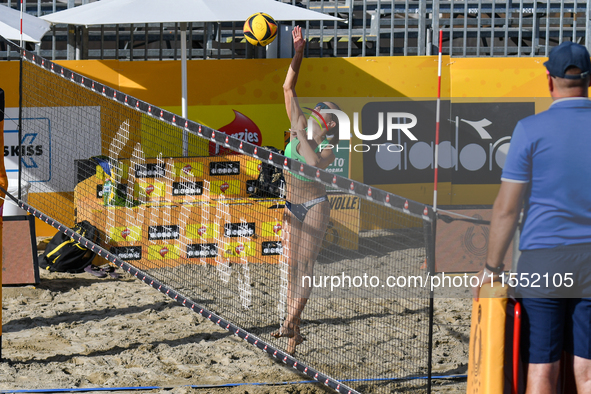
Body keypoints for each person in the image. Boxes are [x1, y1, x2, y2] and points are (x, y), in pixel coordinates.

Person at [473, 41, 591, 393]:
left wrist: (491, 268)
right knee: (586, 368)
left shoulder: (530, 130)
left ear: (549, 79)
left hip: (544, 260)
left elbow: (506, 209)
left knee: (542, 366)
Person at [270, 25, 340, 355]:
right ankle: (293, 331)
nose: (313, 115)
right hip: (291, 204)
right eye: (316, 112)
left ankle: (290, 321)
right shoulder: (299, 121)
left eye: (320, 116)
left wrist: (298, 134)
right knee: (291, 267)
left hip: (314, 204)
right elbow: (287, 86)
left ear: (327, 126)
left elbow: (311, 163)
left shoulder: (327, 149)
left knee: (306, 266)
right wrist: (298, 54)